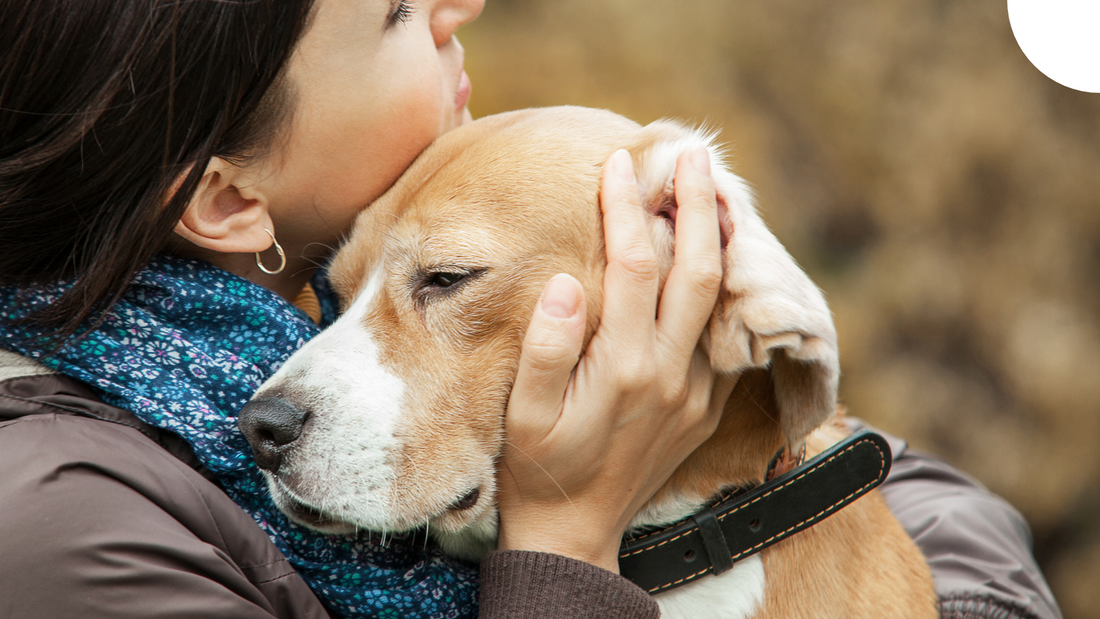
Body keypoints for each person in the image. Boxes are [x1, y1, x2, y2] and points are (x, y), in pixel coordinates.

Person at [0, 1, 1061, 618]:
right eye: (394, 12)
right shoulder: (64, 526)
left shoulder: (444, 224)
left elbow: (886, 479)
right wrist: (564, 532)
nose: (458, 3)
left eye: (441, 279)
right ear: (229, 199)